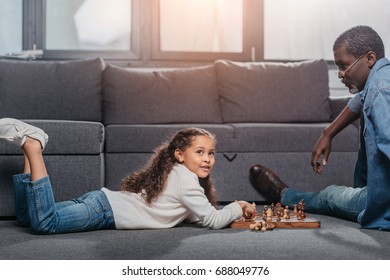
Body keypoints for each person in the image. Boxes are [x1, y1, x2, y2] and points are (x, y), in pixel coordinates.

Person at [0, 118, 256, 234]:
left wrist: (226, 215)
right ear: (179, 155)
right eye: (199, 152)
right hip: (104, 211)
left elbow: (194, 215)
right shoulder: (187, 181)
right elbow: (212, 220)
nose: (207, 159)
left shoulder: (177, 173)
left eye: (211, 153)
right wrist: (238, 206)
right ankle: (33, 147)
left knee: (28, 216)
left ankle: (27, 148)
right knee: (45, 222)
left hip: (102, 203)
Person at [249, 25, 390, 230]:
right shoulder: (381, 79)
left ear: (369, 58)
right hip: (379, 189)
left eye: (344, 65)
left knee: (329, 196)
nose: (340, 74)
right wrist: (328, 133)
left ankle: (285, 194)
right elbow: (360, 100)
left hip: (383, 202)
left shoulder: (381, 91)